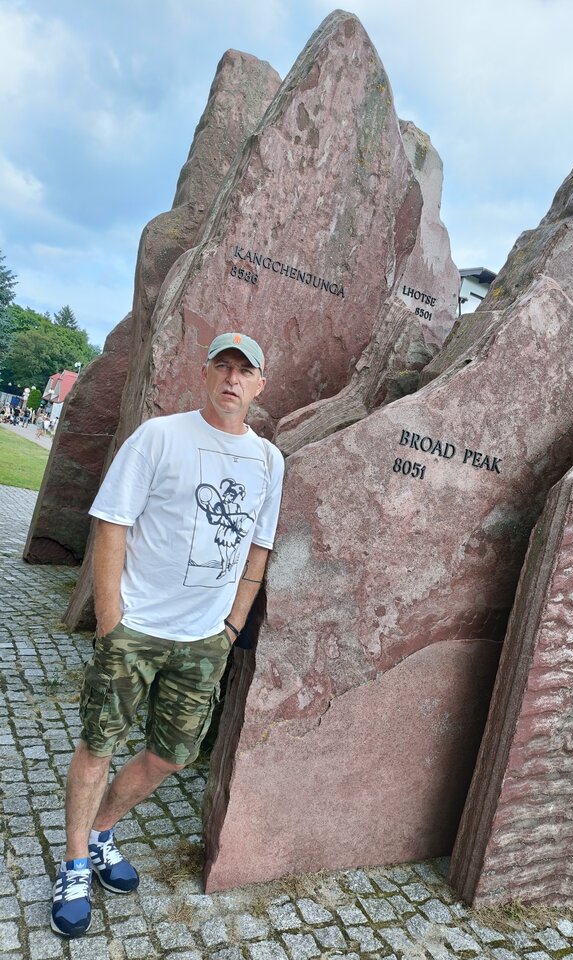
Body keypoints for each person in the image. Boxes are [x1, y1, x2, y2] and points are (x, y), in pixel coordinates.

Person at [50, 333, 285, 938]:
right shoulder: (159, 437)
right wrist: (110, 620)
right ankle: (74, 863)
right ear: (205, 373)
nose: (232, 379)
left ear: (260, 385)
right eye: (223, 366)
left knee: (172, 755)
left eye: (245, 371)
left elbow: (258, 547)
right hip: (137, 629)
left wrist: (232, 625)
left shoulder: (268, 461)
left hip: (205, 639)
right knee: (98, 744)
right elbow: (112, 523)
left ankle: (101, 832)